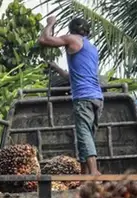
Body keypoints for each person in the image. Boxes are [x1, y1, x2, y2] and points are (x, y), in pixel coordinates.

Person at [38, 16, 103, 176]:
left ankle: (93, 172)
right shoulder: (91, 48)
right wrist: (56, 68)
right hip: (97, 97)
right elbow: (71, 77)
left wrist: (51, 23)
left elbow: (44, 40)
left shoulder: (72, 39)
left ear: (72, 29)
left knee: (84, 134)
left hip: (84, 97)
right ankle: (84, 176)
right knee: (86, 137)